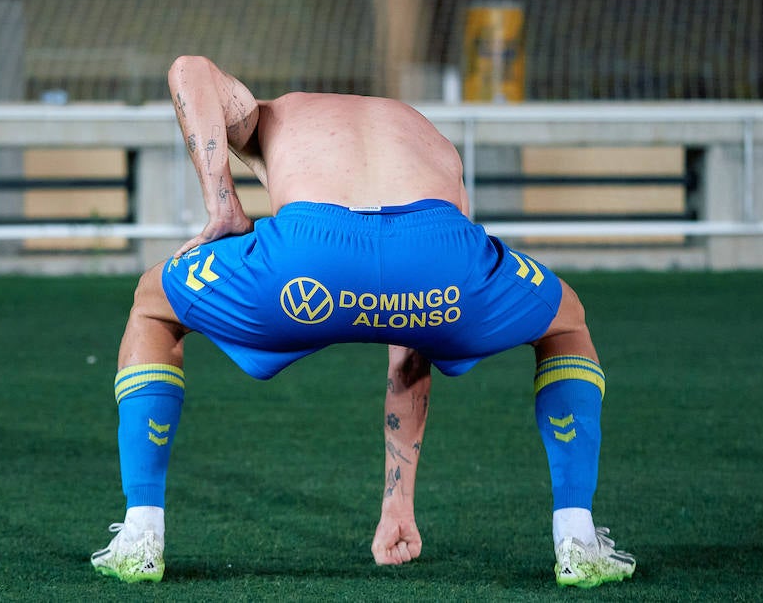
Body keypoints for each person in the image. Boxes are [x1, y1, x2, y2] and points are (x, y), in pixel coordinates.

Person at [91, 55, 637, 588]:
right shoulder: (424, 132)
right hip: (438, 260)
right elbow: (413, 341)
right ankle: (578, 538)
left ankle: (142, 533)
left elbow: (188, 70)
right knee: (565, 322)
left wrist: (223, 202)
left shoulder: (274, 112)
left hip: (309, 260)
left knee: (151, 306)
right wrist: (398, 504)